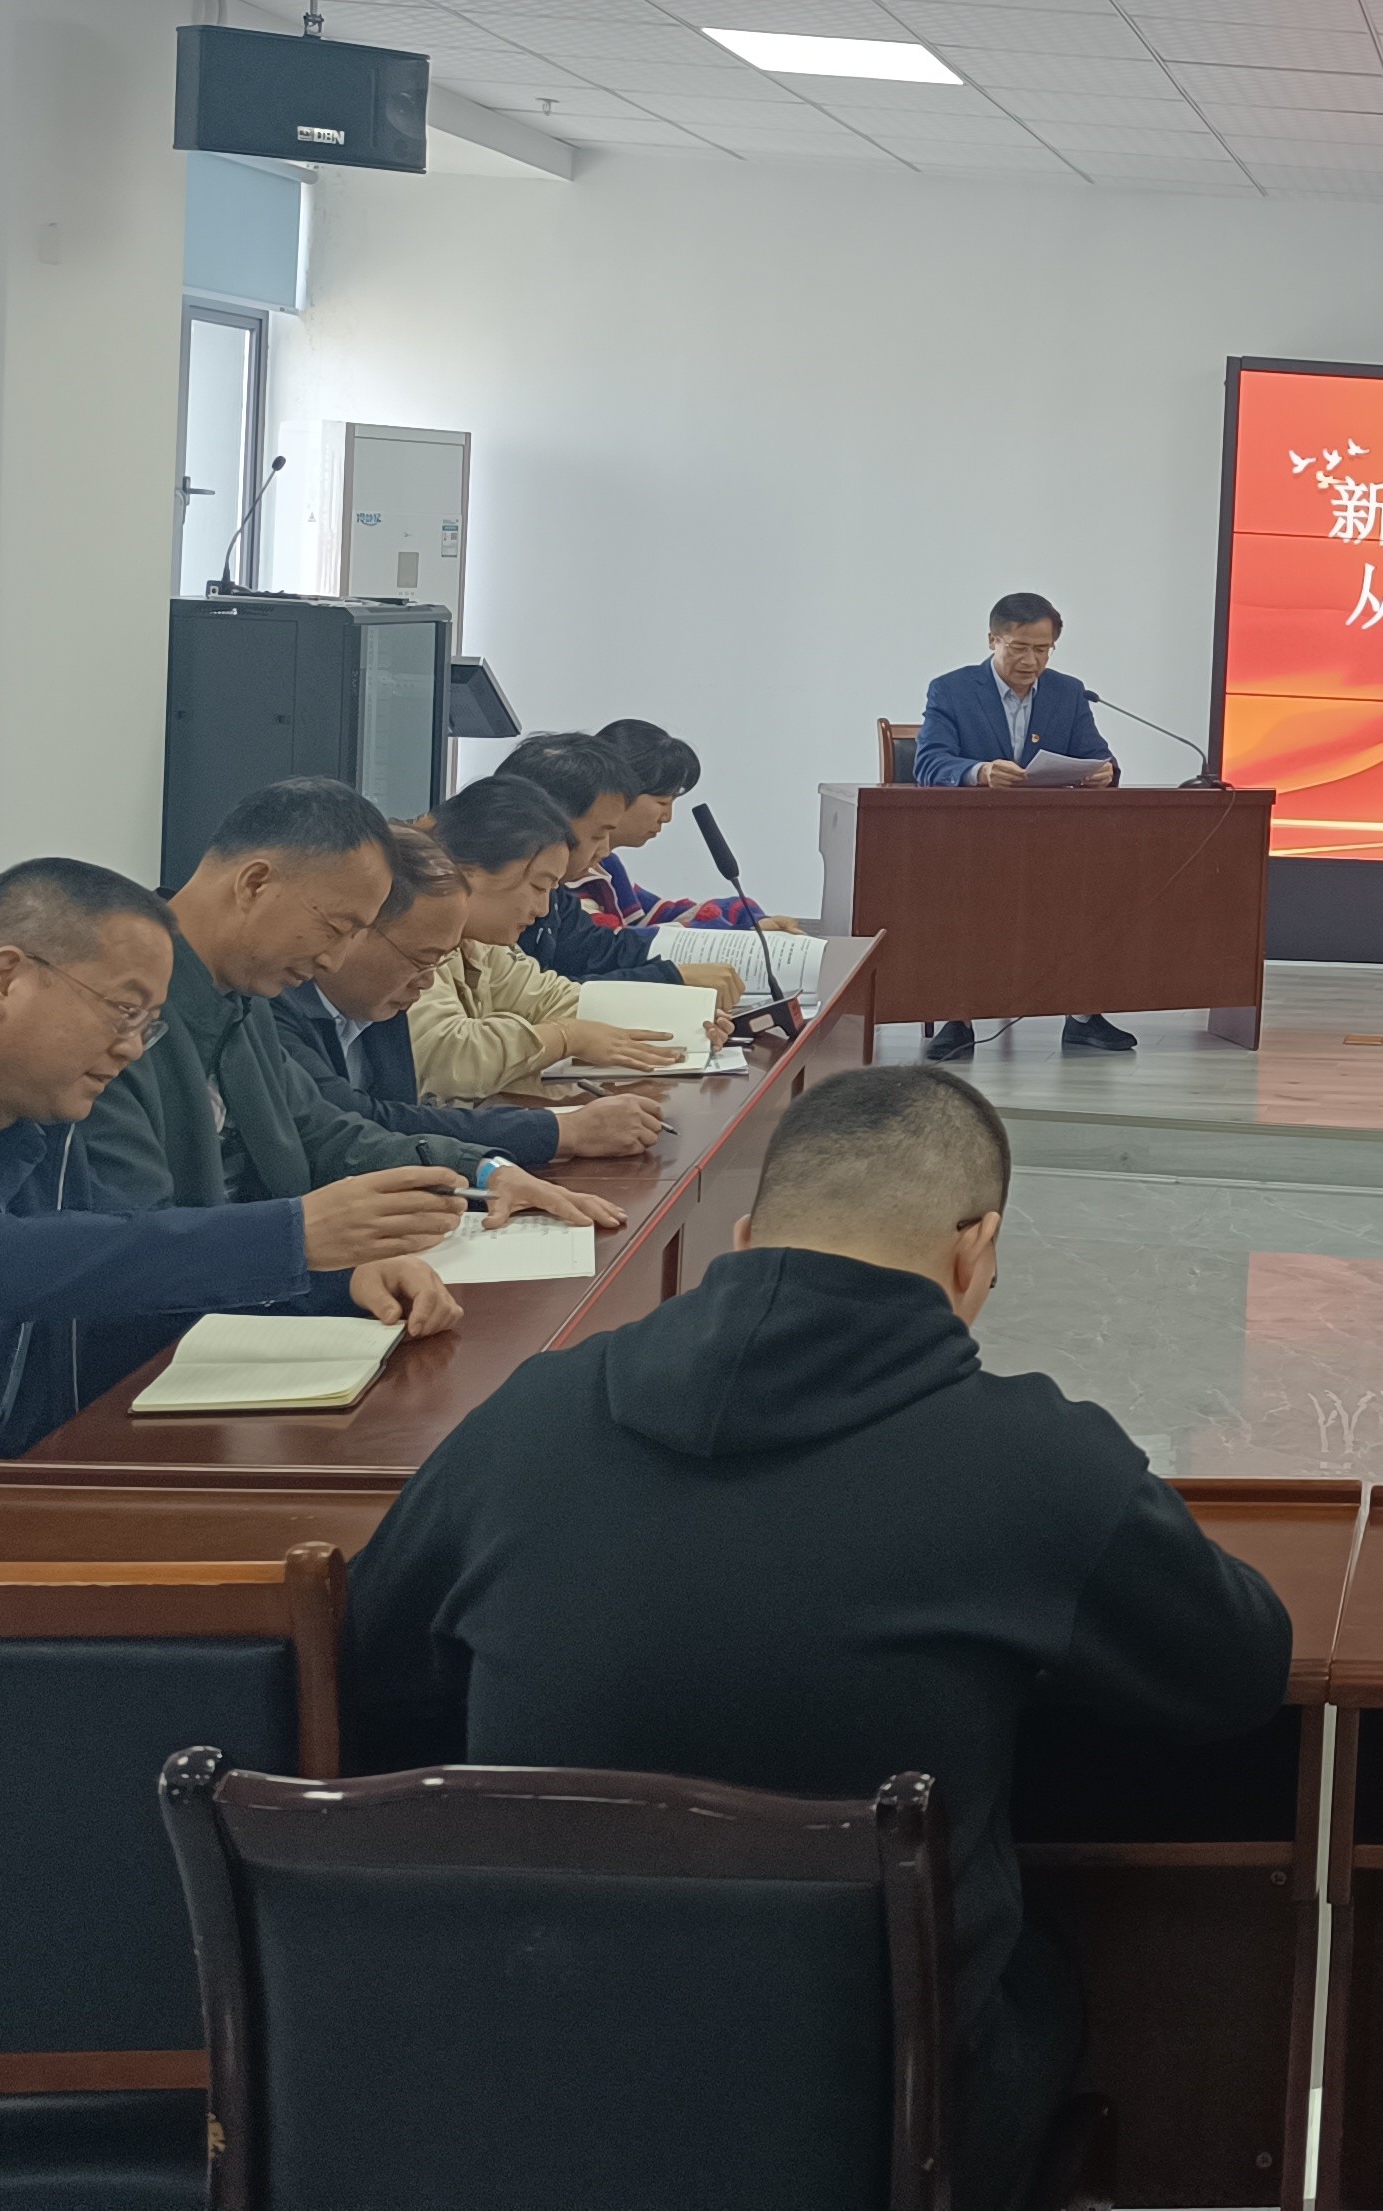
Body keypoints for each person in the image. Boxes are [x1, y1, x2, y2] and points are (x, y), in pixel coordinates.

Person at [344, 1063, 1291, 2211]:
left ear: (746, 1237)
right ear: (976, 1250)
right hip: (878, 2130)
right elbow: (1241, 1672)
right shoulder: (1039, 1463)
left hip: (536, 2101)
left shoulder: (525, 1423)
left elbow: (368, 1671)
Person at [0, 859, 480, 1548]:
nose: (130, 1049)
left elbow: (116, 1264)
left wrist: (335, 1279)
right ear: (3, 979)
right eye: (124, 1011)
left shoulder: (29, 1115)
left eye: (149, 1025)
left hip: (11, 1492)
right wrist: (293, 1236)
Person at [76, 778, 618, 1405]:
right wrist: (304, 1246)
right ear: (255, 884)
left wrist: (481, 1170)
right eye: (336, 928)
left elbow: (323, 1128)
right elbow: (134, 1251)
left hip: (242, 1321)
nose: (334, 961)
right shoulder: (113, 1009)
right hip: (142, 1369)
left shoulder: (238, 995)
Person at [278, 823, 667, 1169]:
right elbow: (362, 1125)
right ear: (355, 929)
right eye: (422, 961)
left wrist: (490, 1171)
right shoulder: (278, 1008)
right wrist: (560, 1130)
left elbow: (399, 1119)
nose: (427, 982)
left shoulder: (382, 995)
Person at [407, 773, 720, 1103]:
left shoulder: (477, 941)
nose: (543, 909)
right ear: (470, 871)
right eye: (538, 886)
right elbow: (447, 1057)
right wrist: (564, 1037)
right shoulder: (411, 931)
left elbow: (547, 997)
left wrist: (685, 1017)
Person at [912, 593, 1131, 1061]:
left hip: (1050, 841)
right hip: (970, 842)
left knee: (1094, 888)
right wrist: (980, 772)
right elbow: (929, 763)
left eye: (1043, 649)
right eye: (1019, 648)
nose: (1032, 661)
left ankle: (1083, 1016)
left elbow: (1097, 754)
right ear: (993, 639)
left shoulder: (1068, 692)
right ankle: (958, 1017)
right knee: (962, 894)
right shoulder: (951, 690)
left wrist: (1104, 771)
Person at [499, 731, 743, 1012]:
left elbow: (602, 951)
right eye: (597, 835)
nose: (604, 851)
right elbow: (534, 1000)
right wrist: (670, 979)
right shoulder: (492, 907)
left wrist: (680, 978)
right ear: (546, 824)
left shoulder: (556, 896)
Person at [577, 716, 788, 934]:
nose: (667, 817)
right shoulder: (567, 876)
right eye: (663, 802)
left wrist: (745, 916)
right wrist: (734, 931)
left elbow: (654, 916)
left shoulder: (607, 865)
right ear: (615, 793)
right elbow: (615, 942)